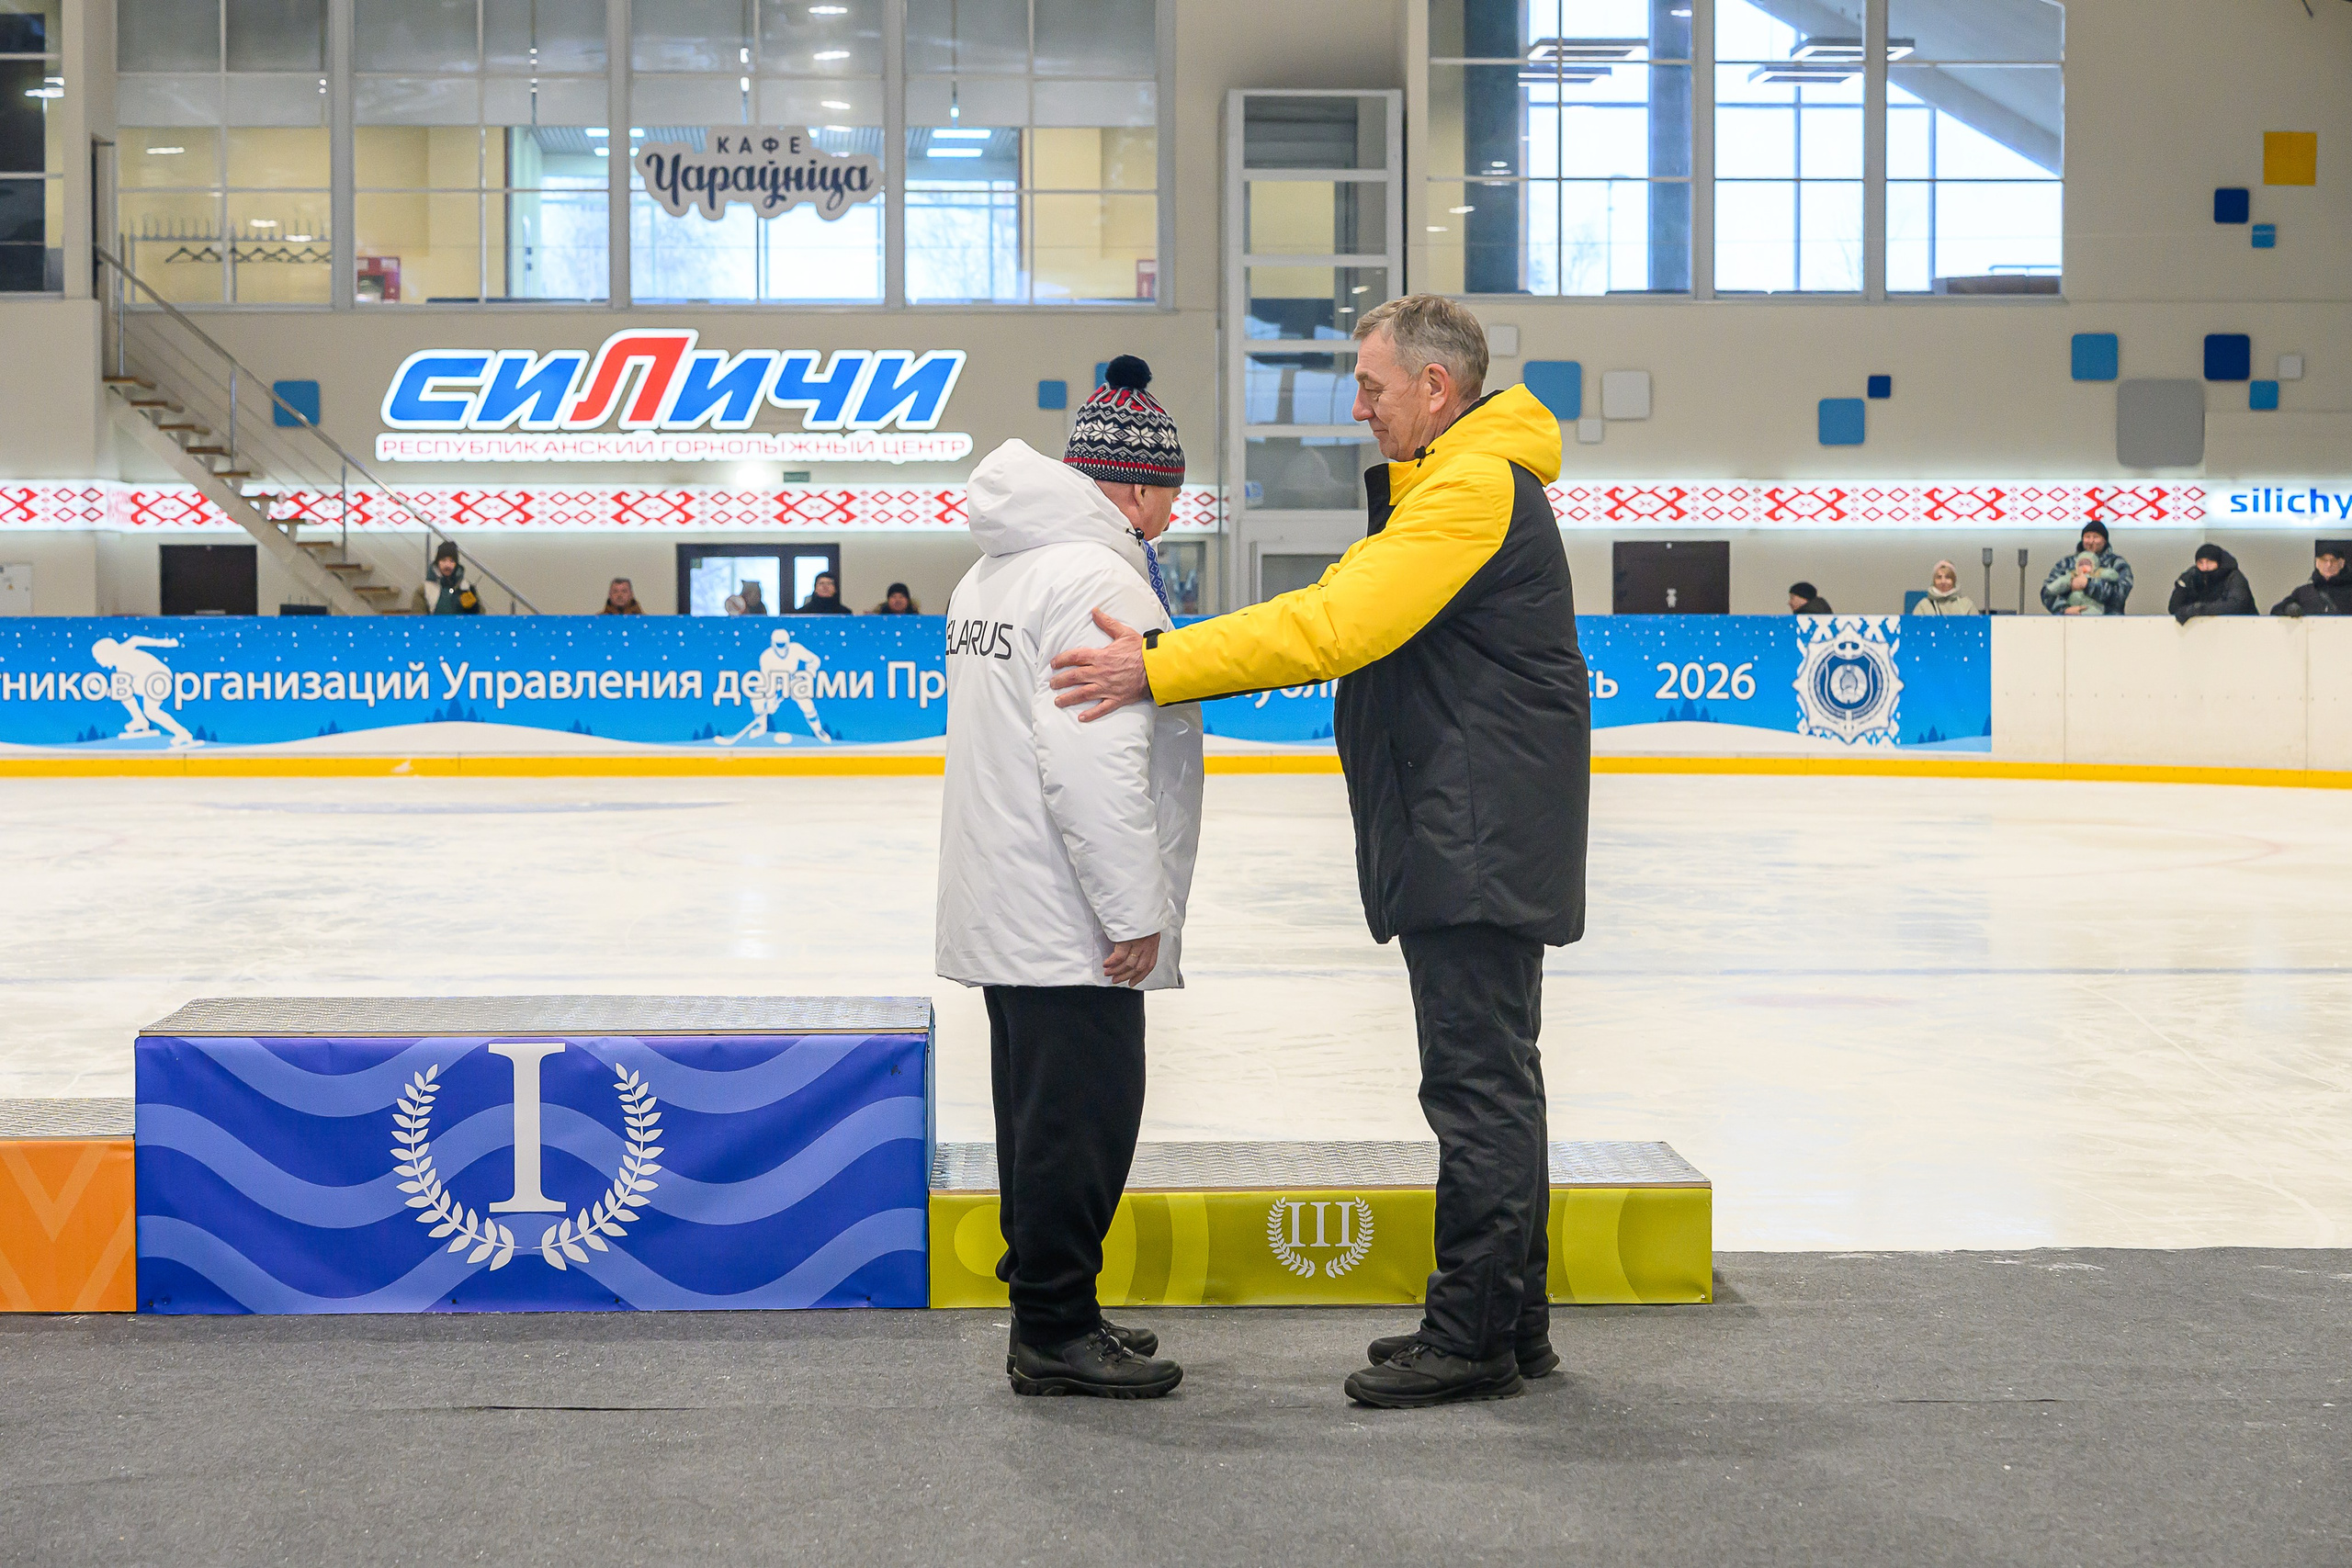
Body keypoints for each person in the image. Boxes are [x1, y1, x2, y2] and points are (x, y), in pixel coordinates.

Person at [1048, 296, 1589, 1410]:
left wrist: (1159, 660)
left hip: (1472, 829)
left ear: (1438, 389)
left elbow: (1336, 623)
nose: (1357, 406)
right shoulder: (1460, 482)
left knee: (1476, 1087)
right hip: (1467, 822)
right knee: (1496, 1078)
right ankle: (1506, 1319)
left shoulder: (1473, 487)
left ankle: (1474, 1335)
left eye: (1372, 387)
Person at [935, 365, 1202, 1402]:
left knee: (1034, 1116)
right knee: (1080, 1124)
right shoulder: (1100, 581)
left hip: (1014, 899)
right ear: (1132, 490)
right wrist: (1135, 910)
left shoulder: (993, 573)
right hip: (1070, 914)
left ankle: (1060, 1308)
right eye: (1172, 494)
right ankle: (1052, 1329)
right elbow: (1091, 763)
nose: (1173, 515)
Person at [718, 626, 831, 746]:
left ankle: (818, 730)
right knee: (757, 699)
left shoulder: (796, 649)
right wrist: (771, 702)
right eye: (778, 644)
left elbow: (815, 660)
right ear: (772, 643)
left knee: (806, 702)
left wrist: (808, 674)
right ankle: (760, 727)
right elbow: (767, 682)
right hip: (774, 684)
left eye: (783, 644)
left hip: (793, 682)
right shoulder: (766, 657)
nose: (781, 648)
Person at [2041, 523, 2132, 615]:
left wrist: (2088, 584)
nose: (2091, 541)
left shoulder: (2116, 563)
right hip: (2069, 623)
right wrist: (2064, 609)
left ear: (2105, 540)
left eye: (2096, 537)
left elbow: (2121, 594)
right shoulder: (2066, 563)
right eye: (2087, 537)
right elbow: (2047, 592)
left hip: (2108, 622)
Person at [2168, 545, 2256, 622]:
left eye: (2209, 562)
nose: (2205, 567)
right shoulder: (2193, 576)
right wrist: (2182, 586)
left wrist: (2199, 609)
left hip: (2242, 628)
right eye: (2200, 562)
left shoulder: (2234, 577)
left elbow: (2236, 605)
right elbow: (2174, 608)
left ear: (2218, 562)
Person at [2271, 539, 2352, 616]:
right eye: (2324, 560)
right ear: (2317, 563)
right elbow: (2275, 611)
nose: (2328, 565)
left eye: (2333, 560)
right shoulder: (2303, 593)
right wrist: (2288, 608)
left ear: (2341, 563)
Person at [423, 541, 481, 615]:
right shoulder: (424, 589)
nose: (448, 565)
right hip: (434, 627)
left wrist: (474, 609)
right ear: (437, 562)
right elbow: (417, 620)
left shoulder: (466, 587)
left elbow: (480, 617)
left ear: (456, 564)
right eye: (443, 560)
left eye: (452, 561)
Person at [1909, 560, 1976, 616]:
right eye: (1939, 577)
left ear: (1954, 581)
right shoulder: (1923, 606)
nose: (1943, 581)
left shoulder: (1967, 605)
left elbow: (1976, 628)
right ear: (1934, 581)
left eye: (1947, 577)